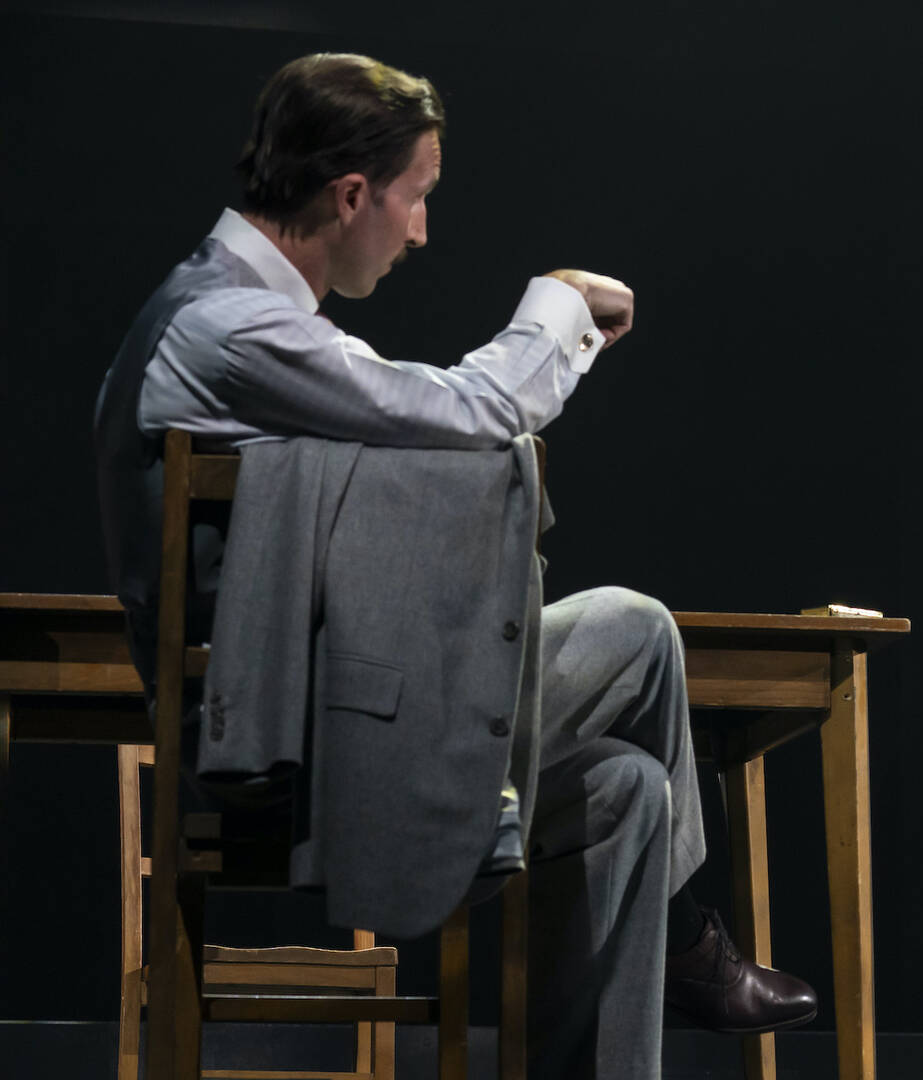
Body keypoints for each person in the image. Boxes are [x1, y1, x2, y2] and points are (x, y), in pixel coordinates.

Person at [93, 52, 815, 1079]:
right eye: (416, 198)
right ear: (351, 196)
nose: (422, 230)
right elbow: (463, 414)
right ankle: (695, 945)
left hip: (325, 710)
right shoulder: (229, 329)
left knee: (627, 788)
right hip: (285, 751)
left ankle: (673, 959)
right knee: (637, 631)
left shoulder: (238, 314)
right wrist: (558, 302)